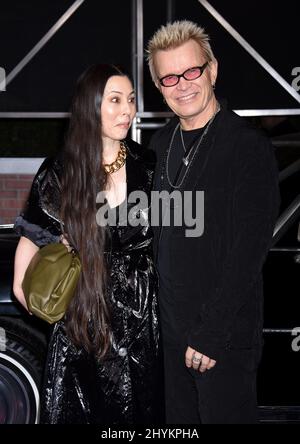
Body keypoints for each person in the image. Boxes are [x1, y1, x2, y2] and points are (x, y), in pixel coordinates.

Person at [146, 20, 280, 424]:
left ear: (212, 70)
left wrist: (211, 333)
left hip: (220, 340)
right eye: (169, 77)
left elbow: (249, 252)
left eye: (192, 71)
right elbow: (146, 227)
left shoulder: (246, 147)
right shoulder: (159, 144)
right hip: (169, 339)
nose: (182, 85)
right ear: (159, 86)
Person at [13, 64, 161, 424]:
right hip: (84, 333)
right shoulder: (61, 172)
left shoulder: (150, 165)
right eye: (115, 100)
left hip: (144, 330)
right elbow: (27, 264)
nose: (127, 110)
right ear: (90, 106)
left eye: (130, 100)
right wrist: (57, 308)